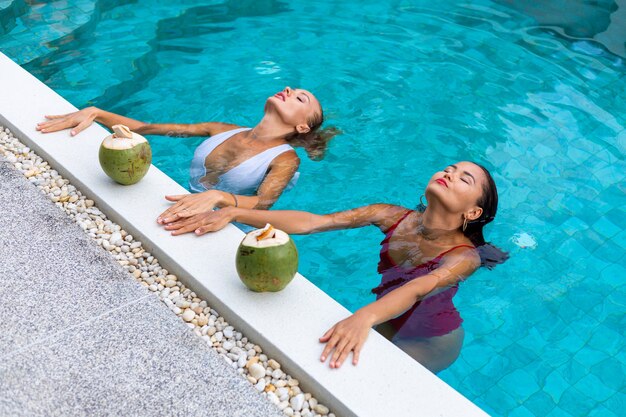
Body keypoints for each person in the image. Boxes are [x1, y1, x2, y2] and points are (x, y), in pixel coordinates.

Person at [159, 161, 508, 373]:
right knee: (333, 363)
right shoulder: (390, 215)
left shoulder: (464, 257)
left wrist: (365, 316)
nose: (450, 173)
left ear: (473, 213)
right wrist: (234, 212)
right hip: (386, 316)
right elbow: (314, 222)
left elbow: (418, 287)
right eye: (449, 168)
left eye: (464, 178)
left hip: (431, 340)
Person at [36, 87, 337, 227]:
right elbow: (146, 128)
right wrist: (96, 112)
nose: (288, 89)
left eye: (301, 97)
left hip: (223, 227)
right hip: (176, 204)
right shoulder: (220, 129)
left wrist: (219, 197)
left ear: (302, 126)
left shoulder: (285, 159)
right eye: (292, 88)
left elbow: (262, 204)